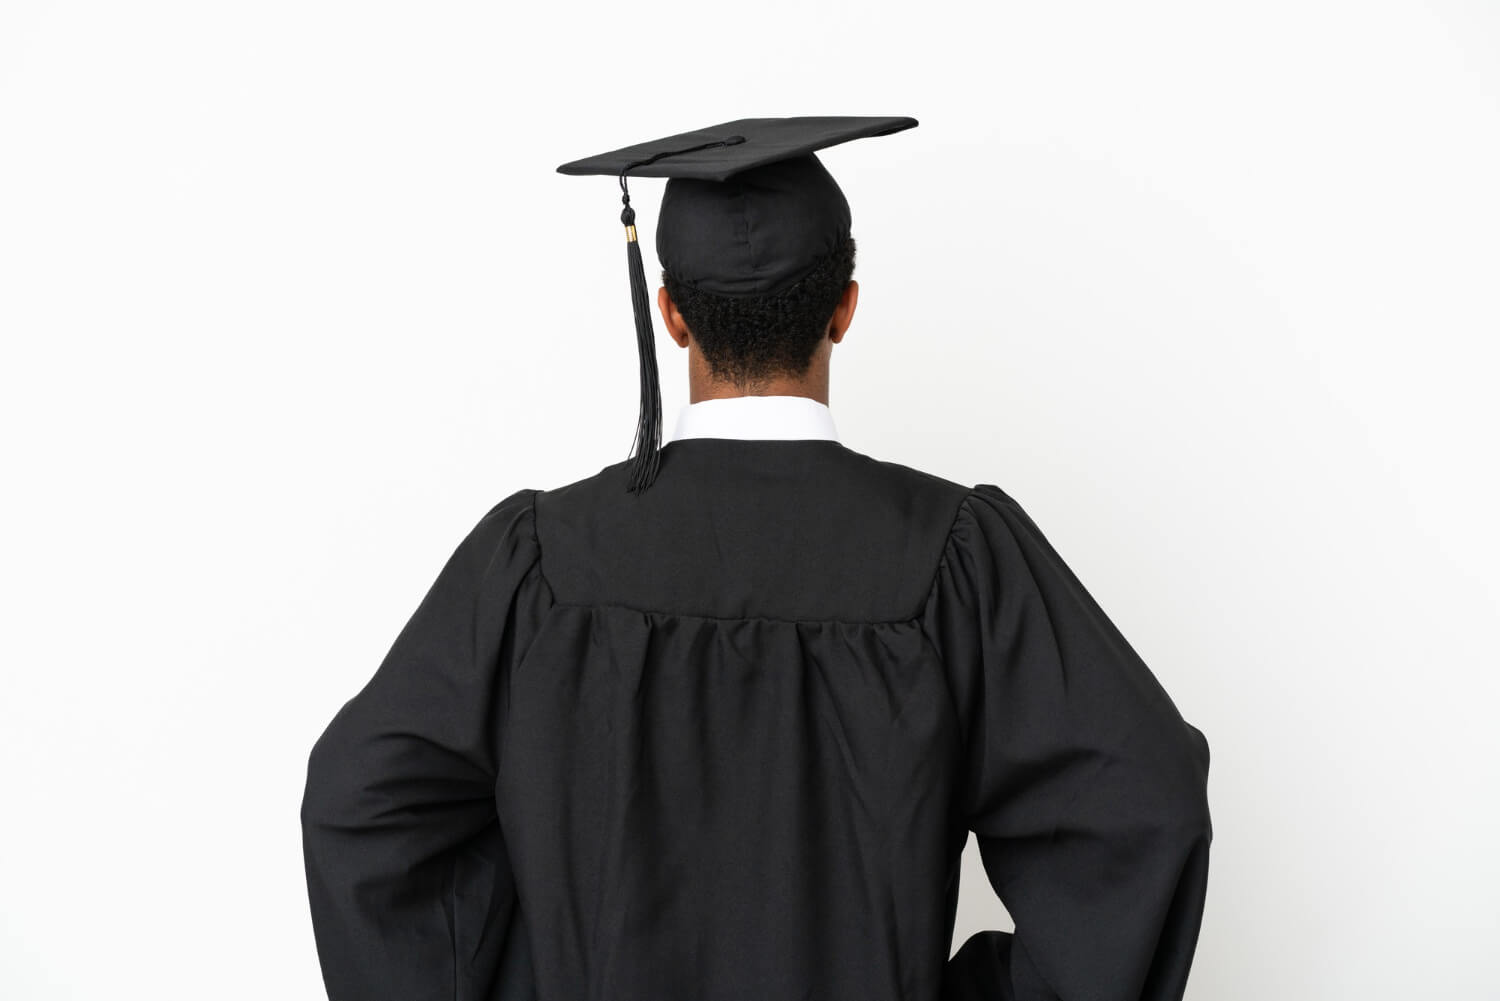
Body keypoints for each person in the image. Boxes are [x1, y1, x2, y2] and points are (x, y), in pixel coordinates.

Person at [299, 117, 1213, 1001]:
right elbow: (1141, 803)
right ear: (846, 308)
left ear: (671, 316)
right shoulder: (952, 557)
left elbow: (361, 809)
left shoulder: (538, 563)